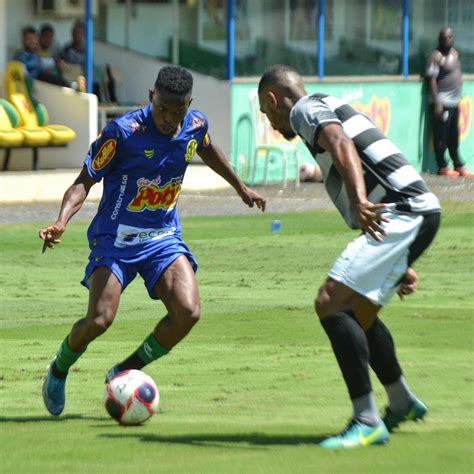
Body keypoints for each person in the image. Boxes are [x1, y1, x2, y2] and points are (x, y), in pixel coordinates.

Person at [40, 65, 266, 416]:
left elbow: (207, 148)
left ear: (189, 104)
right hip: (114, 239)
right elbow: (84, 180)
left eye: (177, 111)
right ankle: (59, 367)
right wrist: (61, 221)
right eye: (162, 108)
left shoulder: (194, 125)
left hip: (162, 238)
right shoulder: (123, 133)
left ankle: (125, 370)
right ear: (151, 97)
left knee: (188, 312)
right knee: (100, 319)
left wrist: (241, 187)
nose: (168, 118)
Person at [258, 65, 441, 449]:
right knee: (360, 311)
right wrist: (397, 260)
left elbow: (341, 143)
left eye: (265, 112)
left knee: (330, 303)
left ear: (274, 101)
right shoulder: (327, 101)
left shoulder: (302, 110)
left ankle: (366, 419)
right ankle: (402, 400)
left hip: (401, 211)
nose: (271, 123)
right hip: (413, 210)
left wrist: (358, 201)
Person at [426, 27, 471, 178]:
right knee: (441, 137)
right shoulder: (435, 57)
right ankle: (442, 167)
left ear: (453, 38)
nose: (447, 40)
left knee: (454, 136)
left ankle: (458, 165)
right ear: (439, 40)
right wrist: (437, 103)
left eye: (450, 37)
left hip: (454, 103)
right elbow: (430, 80)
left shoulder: (455, 54)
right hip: (442, 103)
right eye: (444, 38)